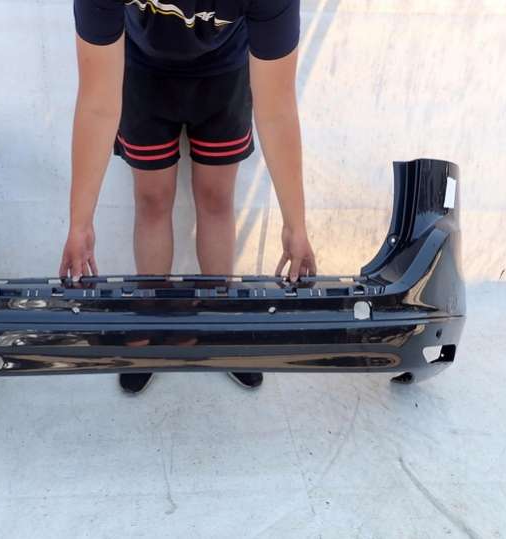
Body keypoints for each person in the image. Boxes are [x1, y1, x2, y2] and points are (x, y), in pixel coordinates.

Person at [60, 0, 317, 394]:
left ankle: (219, 319)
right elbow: (97, 105)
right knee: (152, 199)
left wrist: (295, 225)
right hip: (142, 70)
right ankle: (151, 319)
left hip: (225, 70)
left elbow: (277, 110)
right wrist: (80, 223)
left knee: (216, 197)